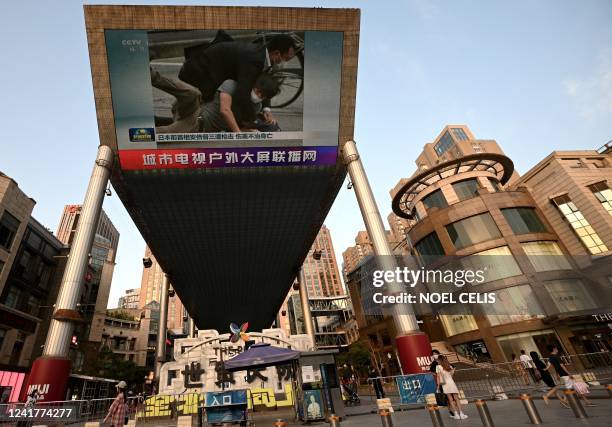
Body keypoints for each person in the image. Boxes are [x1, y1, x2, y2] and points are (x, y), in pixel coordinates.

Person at [178, 33, 296, 124]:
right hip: (198, 73)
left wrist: (266, 110)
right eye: (286, 59)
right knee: (196, 113)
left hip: (214, 72)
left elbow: (265, 83)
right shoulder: (254, 60)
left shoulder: (264, 56)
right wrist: (255, 121)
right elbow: (242, 94)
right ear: (276, 53)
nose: (285, 63)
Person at [151, 70, 281, 133]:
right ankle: (152, 75)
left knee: (164, 133)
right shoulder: (232, 85)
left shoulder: (255, 108)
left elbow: (236, 127)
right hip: (194, 110)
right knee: (193, 94)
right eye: (258, 91)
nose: (258, 96)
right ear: (253, 84)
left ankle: (134, 135)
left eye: (262, 96)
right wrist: (239, 134)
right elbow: (225, 110)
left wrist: (252, 130)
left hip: (196, 127)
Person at [436, 355, 467, 419]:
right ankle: (461, 413)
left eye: (438, 360)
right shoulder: (449, 366)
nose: (437, 361)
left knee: (450, 400)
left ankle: (456, 414)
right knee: (457, 399)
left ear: (439, 360)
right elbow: (451, 376)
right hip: (452, 383)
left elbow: (438, 377)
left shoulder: (438, 367)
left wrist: (438, 386)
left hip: (445, 385)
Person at [430, 350, 455, 417]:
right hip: (442, 383)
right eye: (433, 354)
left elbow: (452, 367)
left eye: (436, 354)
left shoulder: (444, 360)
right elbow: (432, 371)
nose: (435, 355)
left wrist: (450, 374)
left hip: (449, 382)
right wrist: (438, 375)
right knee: (446, 397)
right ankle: (450, 411)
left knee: (452, 397)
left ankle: (455, 411)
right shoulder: (434, 363)